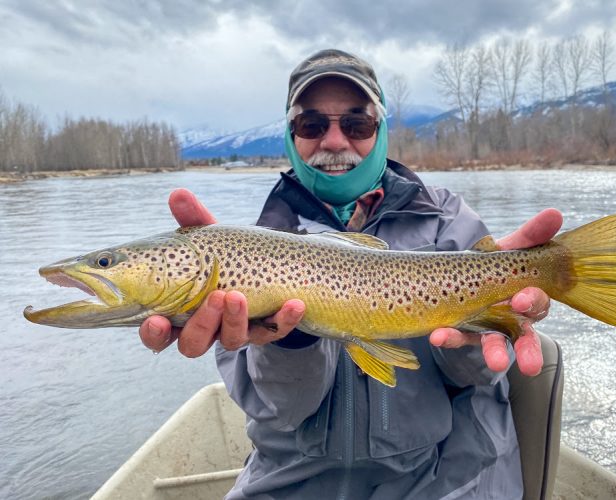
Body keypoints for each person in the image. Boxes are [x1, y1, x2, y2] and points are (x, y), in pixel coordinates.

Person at [140, 49, 562, 499]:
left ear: (380, 132)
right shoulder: (248, 250)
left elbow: (477, 375)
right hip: (293, 483)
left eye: (357, 124)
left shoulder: (448, 221)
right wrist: (292, 335)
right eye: (313, 125)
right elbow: (280, 411)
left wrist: (484, 329)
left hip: (440, 479)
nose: (335, 141)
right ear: (290, 134)